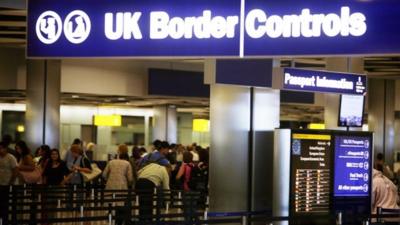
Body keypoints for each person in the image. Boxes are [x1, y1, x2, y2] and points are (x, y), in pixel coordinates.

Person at [0, 141, 17, 225]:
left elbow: (15, 171)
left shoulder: (11, 157)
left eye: (1, 148)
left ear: (5, 149)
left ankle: (6, 221)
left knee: (6, 204)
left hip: (7, 184)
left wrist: (11, 182)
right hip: (0, 184)